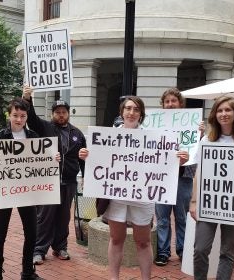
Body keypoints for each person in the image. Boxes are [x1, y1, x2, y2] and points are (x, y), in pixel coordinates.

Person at [79, 96, 188, 280]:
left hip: (142, 197)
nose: (131, 112)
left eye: (136, 109)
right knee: (116, 239)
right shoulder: (107, 137)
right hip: (116, 198)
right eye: (128, 108)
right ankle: (114, 278)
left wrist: (179, 161)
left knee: (143, 242)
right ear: (122, 112)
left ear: (141, 114)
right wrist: (86, 155)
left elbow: (163, 165)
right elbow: (98, 162)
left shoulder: (153, 138)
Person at [22, 86, 86, 265]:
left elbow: (83, 157)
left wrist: (86, 176)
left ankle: (60, 247)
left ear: (68, 113)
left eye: (63, 112)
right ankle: (39, 250)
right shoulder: (45, 128)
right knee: (45, 217)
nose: (60, 115)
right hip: (48, 181)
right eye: (57, 112)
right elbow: (32, 119)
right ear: (52, 114)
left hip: (69, 182)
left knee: (63, 217)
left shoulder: (77, 134)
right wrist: (28, 99)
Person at [0, 97, 45, 280]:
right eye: (15, 115)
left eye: (22, 115)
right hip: (4, 193)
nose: (18, 119)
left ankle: (27, 272)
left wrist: (53, 159)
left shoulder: (34, 137)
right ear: (8, 115)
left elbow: (42, 164)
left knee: (31, 233)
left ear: (27, 116)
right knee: (0, 234)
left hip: (26, 193)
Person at [189, 96, 234, 280]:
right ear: (214, 115)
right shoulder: (206, 140)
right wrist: (194, 202)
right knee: (200, 249)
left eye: (228, 110)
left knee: (227, 253)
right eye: (220, 110)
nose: (224, 114)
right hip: (208, 203)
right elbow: (199, 172)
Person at [154, 88, 204, 266]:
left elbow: (199, 151)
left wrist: (201, 134)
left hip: (184, 178)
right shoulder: (155, 125)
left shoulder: (193, 125)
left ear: (180, 104)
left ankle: (182, 250)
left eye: (173, 101)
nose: (170, 104)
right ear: (163, 105)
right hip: (161, 178)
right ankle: (163, 251)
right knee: (162, 218)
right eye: (167, 102)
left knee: (182, 217)